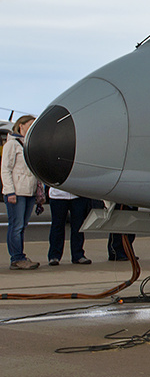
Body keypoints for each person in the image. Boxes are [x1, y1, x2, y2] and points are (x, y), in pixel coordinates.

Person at [3, 114, 43, 269]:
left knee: (22, 225)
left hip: (29, 191)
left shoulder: (28, 143)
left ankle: (19, 255)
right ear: (21, 125)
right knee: (16, 225)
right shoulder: (11, 144)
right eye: (30, 124)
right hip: (17, 192)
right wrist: (10, 191)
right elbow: (5, 169)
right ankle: (17, 258)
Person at [46, 185, 92, 265]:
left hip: (78, 194)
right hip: (58, 195)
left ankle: (78, 255)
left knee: (78, 226)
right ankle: (54, 256)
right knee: (57, 226)